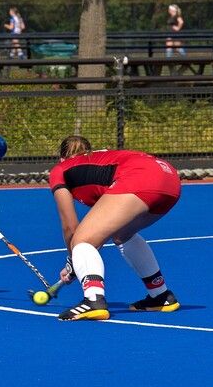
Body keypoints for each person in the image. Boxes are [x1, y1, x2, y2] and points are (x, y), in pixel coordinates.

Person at [49, 136, 182, 321]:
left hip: (140, 178)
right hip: (170, 179)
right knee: (122, 235)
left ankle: (93, 300)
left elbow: (70, 226)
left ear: (61, 157)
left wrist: (73, 260)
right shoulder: (100, 158)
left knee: (82, 240)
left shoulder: (60, 169)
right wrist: (77, 263)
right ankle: (160, 296)